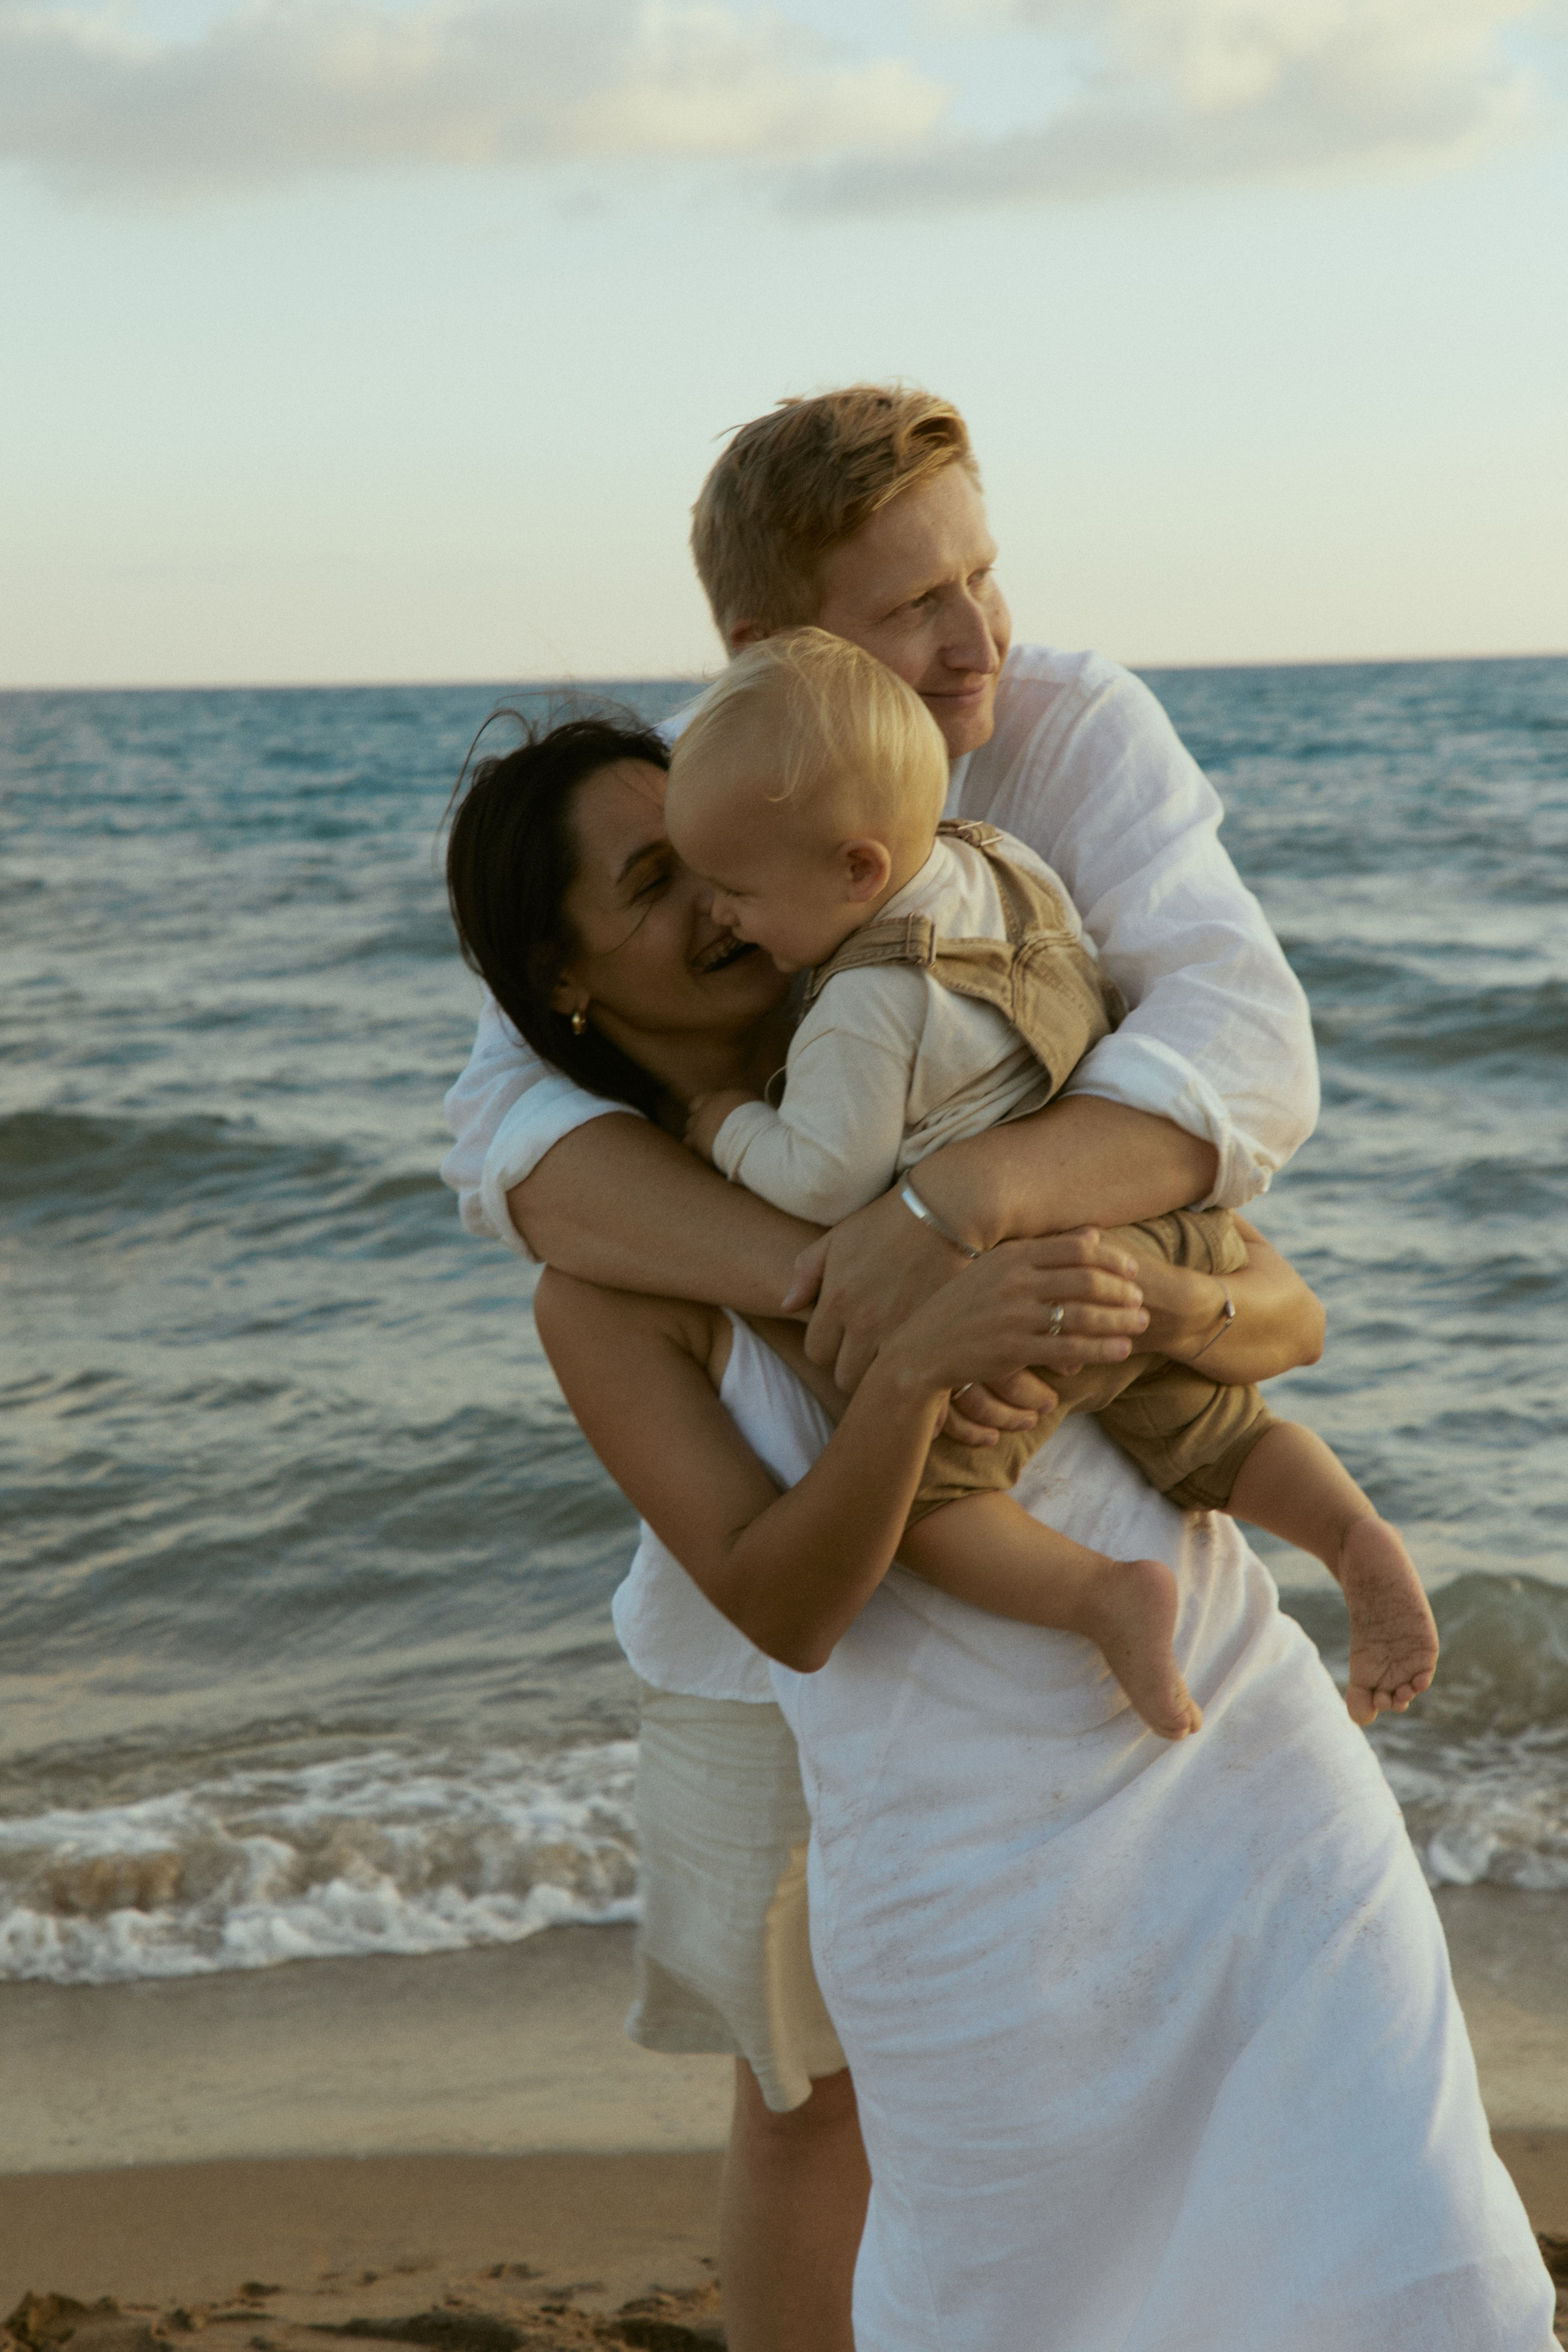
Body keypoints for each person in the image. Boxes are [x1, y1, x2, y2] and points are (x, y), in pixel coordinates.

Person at [442, 720, 1555, 2351]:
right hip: (962, 1871)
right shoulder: (603, 1288)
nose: (721, 903)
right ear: (561, 979)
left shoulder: (936, 1083)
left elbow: (1285, 1312)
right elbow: (782, 1607)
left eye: (716, 859)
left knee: (1406, 2244)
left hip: (1242, 1760)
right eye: (656, 881)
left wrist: (1153, 1298)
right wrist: (908, 1385)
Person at [439, 385, 1322, 2346]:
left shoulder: (1017, 772)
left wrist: (953, 1217)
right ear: (772, 646)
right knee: (811, 2097)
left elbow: (1251, 1080)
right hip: (771, 1628)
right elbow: (504, 1137)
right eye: (914, 603)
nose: (975, 637)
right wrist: (838, 1280)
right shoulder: (710, 869)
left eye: (983, 576)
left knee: (1065, 2046)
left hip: (1029, 1560)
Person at [665, 624, 1438, 1739]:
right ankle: (1350, 1532)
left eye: (735, 889)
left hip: (1019, 1294)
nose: (720, 914)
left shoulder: (859, 1005)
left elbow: (822, 1181)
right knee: (1218, 1427)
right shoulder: (1003, 861)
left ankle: (1102, 1597)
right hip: (1148, 1224)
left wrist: (725, 1123)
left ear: (856, 873)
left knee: (918, 1497)